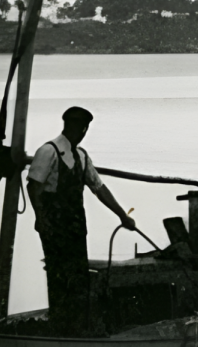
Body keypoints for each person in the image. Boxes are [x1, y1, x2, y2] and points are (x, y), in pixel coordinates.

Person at [26, 107, 136, 335]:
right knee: (58, 273)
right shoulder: (48, 151)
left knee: (77, 275)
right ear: (68, 125)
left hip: (76, 226)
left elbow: (99, 188)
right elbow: (34, 187)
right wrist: (40, 218)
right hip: (54, 225)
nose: (82, 132)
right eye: (80, 127)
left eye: (85, 128)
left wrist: (122, 215)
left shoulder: (82, 156)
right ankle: (60, 322)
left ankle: (76, 324)